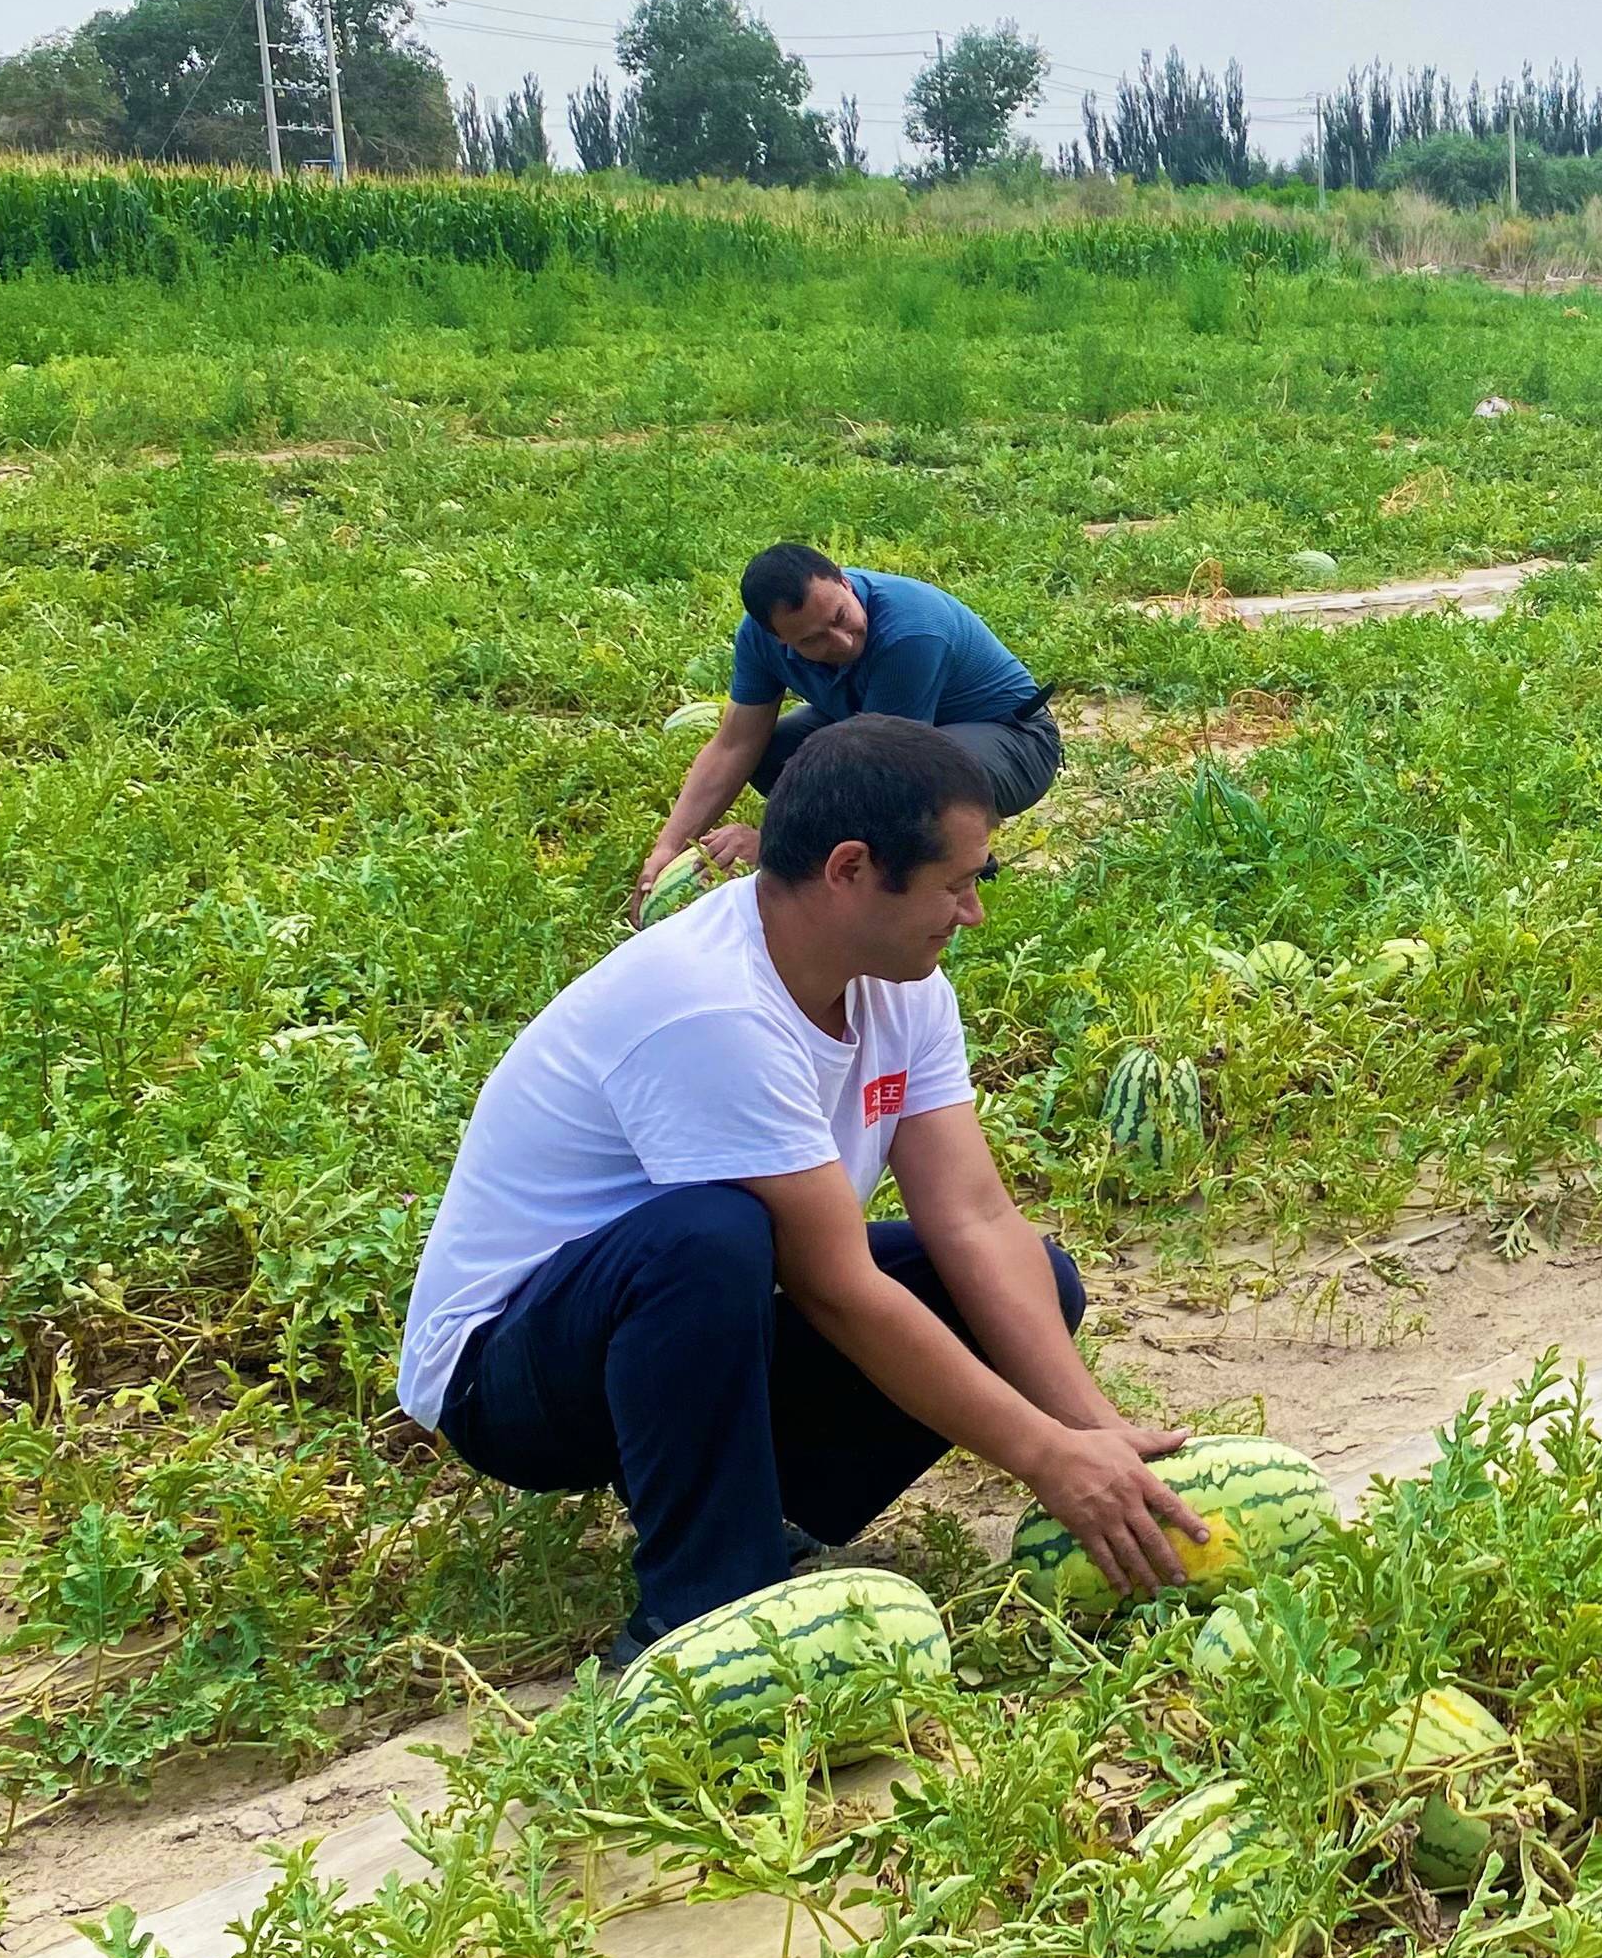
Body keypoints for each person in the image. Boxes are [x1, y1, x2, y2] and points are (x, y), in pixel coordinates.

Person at [408, 715, 1199, 1662]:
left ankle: (758, 1505)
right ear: (851, 868)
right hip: (513, 1372)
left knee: (1027, 1276)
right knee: (709, 1233)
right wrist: (1039, 1457)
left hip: (691, 1338)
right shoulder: (710, 1004)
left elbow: (974, 1216)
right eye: (956, 885)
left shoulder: (903, 983)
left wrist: (1094, 1433)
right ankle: (703, 1608)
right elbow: (834, 1285)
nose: (972, 914)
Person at [631, 545, 1065, 923]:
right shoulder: (758, 641)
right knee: (777, 753)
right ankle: (904, 847)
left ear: (843, 580)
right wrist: (666, 849)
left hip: (1013, 741)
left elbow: (884, 774)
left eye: (841, 617)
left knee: (919, 787)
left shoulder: (911, 632)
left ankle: (958, 858)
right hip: (886, 733)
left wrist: (775, 847)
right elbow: (734, 745)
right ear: (777, 639)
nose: (841, 642)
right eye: (812, 640)